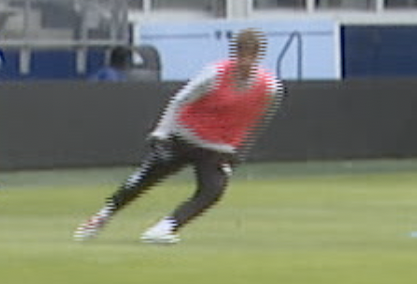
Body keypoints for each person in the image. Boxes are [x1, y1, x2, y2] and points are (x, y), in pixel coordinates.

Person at [74, 26, 283, 246]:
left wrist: (238, 151)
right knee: (143, 179)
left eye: (251, 55)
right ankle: (100, 218)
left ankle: (164, 228)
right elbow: (180, 100)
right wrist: (161, 134)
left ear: (259, 56)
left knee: (212, 191)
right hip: (184, 136)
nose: (245, 61)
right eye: (241, 54)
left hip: (217, 148)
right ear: (235, 53)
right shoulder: (214, 74)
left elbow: (258, 120)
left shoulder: (270, 87)